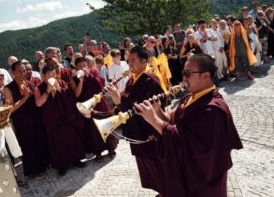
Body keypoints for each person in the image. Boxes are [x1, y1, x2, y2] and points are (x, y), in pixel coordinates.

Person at [134, 54, 243, 197]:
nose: (183, 78)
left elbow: (189, 145)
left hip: (201, 181)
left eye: (188, 73)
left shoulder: (212, 109)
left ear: (206, 75)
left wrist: (154, 121)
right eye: (183, 73)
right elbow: (170, 120)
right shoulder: (189, 97)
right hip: (185, 173)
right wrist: (158, 111)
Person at [106, 46, 165, 196]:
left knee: (157, 163)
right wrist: (115, 96)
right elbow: (128, 98)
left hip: (148, 133)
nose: (129, 63)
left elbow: (145, 108)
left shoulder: (151, 80)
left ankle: (167, 190)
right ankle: (161, 189)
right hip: (136, 131)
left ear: (144, 61)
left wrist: (120, 101)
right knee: (146, 165)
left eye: (133, 60)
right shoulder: (132, 79)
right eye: (128, 60)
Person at [34, 65, 85, 176]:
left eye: (54, 74)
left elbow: (70, 97)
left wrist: (60, 90)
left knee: (71, 138)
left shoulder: (61, 83)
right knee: (57, 142)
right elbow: (38, 103)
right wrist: (47, 90)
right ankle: (62, 165)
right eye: (49, 75)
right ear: (44, 76)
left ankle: (76, 159)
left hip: (65, 116)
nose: (52, 77)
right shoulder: (39, 88)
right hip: (52, 119)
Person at [3, 61, 49, 178]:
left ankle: (44, 165)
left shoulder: (30, 83)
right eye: (20, 71)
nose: (23, 73)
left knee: (40, 141)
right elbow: (10, 109)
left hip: (35, 117)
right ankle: (34, 171)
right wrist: (24, 97)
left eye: (25, 70)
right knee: (28, 146)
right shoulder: (8, 89)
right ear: (13, 72)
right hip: (22, 121)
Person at [74, 57, 117, 160]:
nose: (82, 68)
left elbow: (100, 86)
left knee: (106, 125)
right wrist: (80, 80)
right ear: (76, 68)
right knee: (92, 129)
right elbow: (77, 95)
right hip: (87, 106)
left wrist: (90, 76)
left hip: (99, 103)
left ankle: (111, 149)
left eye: (83, 66)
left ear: (87, 65)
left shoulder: (94, 72)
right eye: (79, 67)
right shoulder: (75, 77)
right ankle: (98, 152)